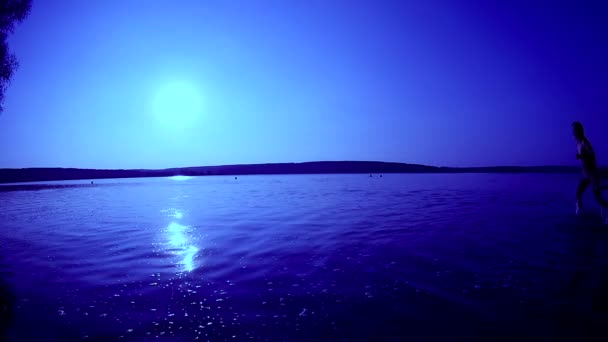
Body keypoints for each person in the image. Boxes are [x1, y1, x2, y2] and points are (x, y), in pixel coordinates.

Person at [572, 121, 608, 222]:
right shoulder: (578, 143)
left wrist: (581, 156)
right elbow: (582, 155)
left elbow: (592, 154)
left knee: (597, 198)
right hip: (585, 174)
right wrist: (580, 156)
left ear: (579, 131)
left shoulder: (584, 141)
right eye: (573, 131)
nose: (573, 133)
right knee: (578, 194)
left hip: (592, 174)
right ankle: (582, 215)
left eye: (574, 130)